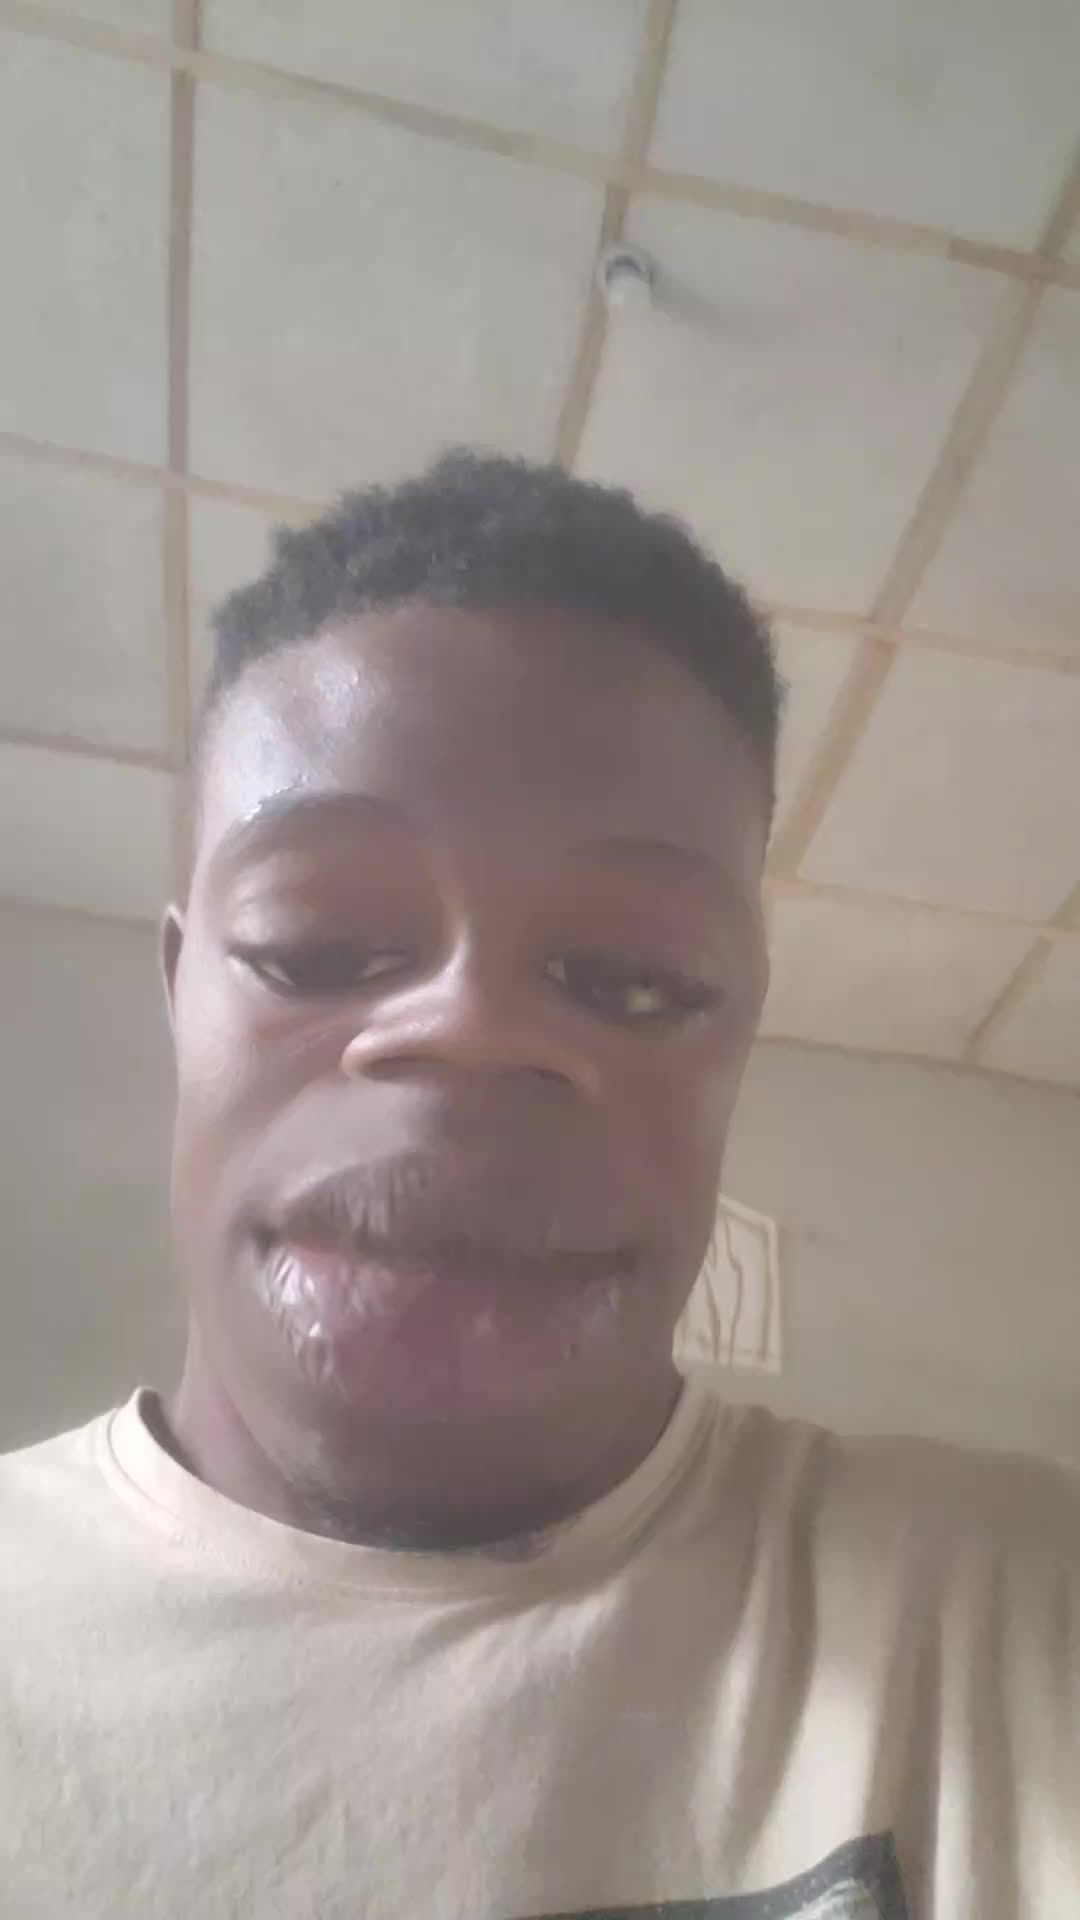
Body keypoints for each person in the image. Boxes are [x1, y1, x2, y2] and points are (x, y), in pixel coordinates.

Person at [1, 452, 1076, 1920]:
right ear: (182, 993)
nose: (468, 1032)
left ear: (737, 1042)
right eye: (318, 948)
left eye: (631, 979)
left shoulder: (1018, 1607)